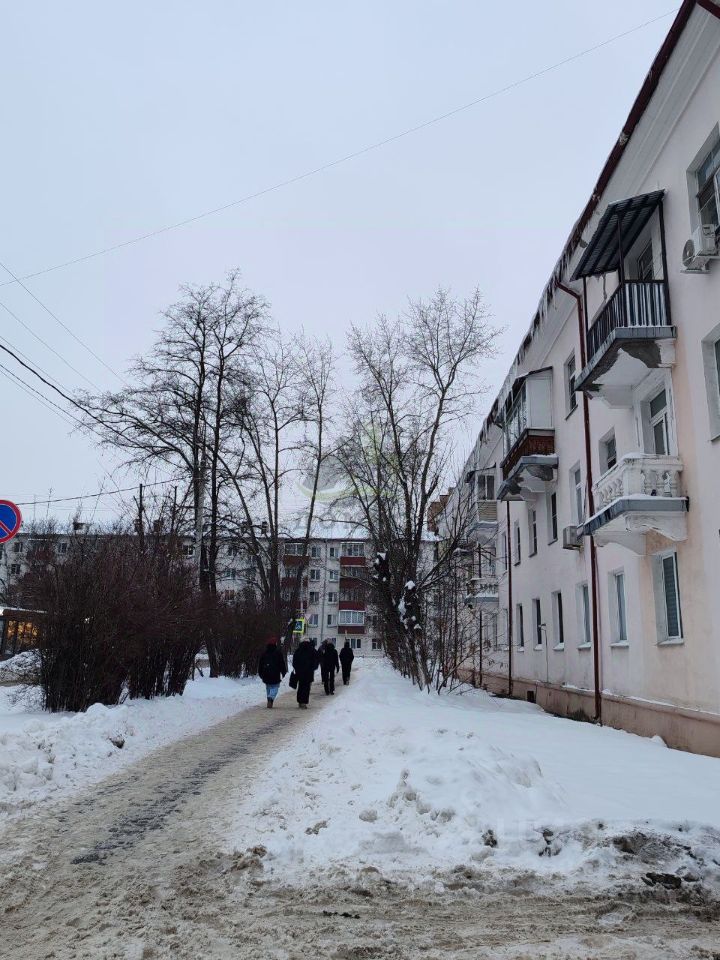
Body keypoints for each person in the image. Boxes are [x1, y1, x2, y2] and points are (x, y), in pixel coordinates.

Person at [257, 636, 287, 708]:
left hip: (266, 673)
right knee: (275, 687)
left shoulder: (264, 653)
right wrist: (283, 671)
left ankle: (269, 700)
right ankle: (271, 698)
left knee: (268, 687)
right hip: (275, 673)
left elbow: (260, 664)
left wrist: (260, 673)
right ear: (275, 644)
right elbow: (282, 663)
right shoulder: (278, 653)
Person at [292, 636, 319, 709]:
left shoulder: (298, 650)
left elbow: (294, 661)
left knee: (300, 686)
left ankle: (300, 701)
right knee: (307, 687)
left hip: (300, 672)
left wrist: (297, 668)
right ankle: (304, 702)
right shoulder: (312, 650)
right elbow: (316, 660)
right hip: (309, 672)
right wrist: (313, 668)